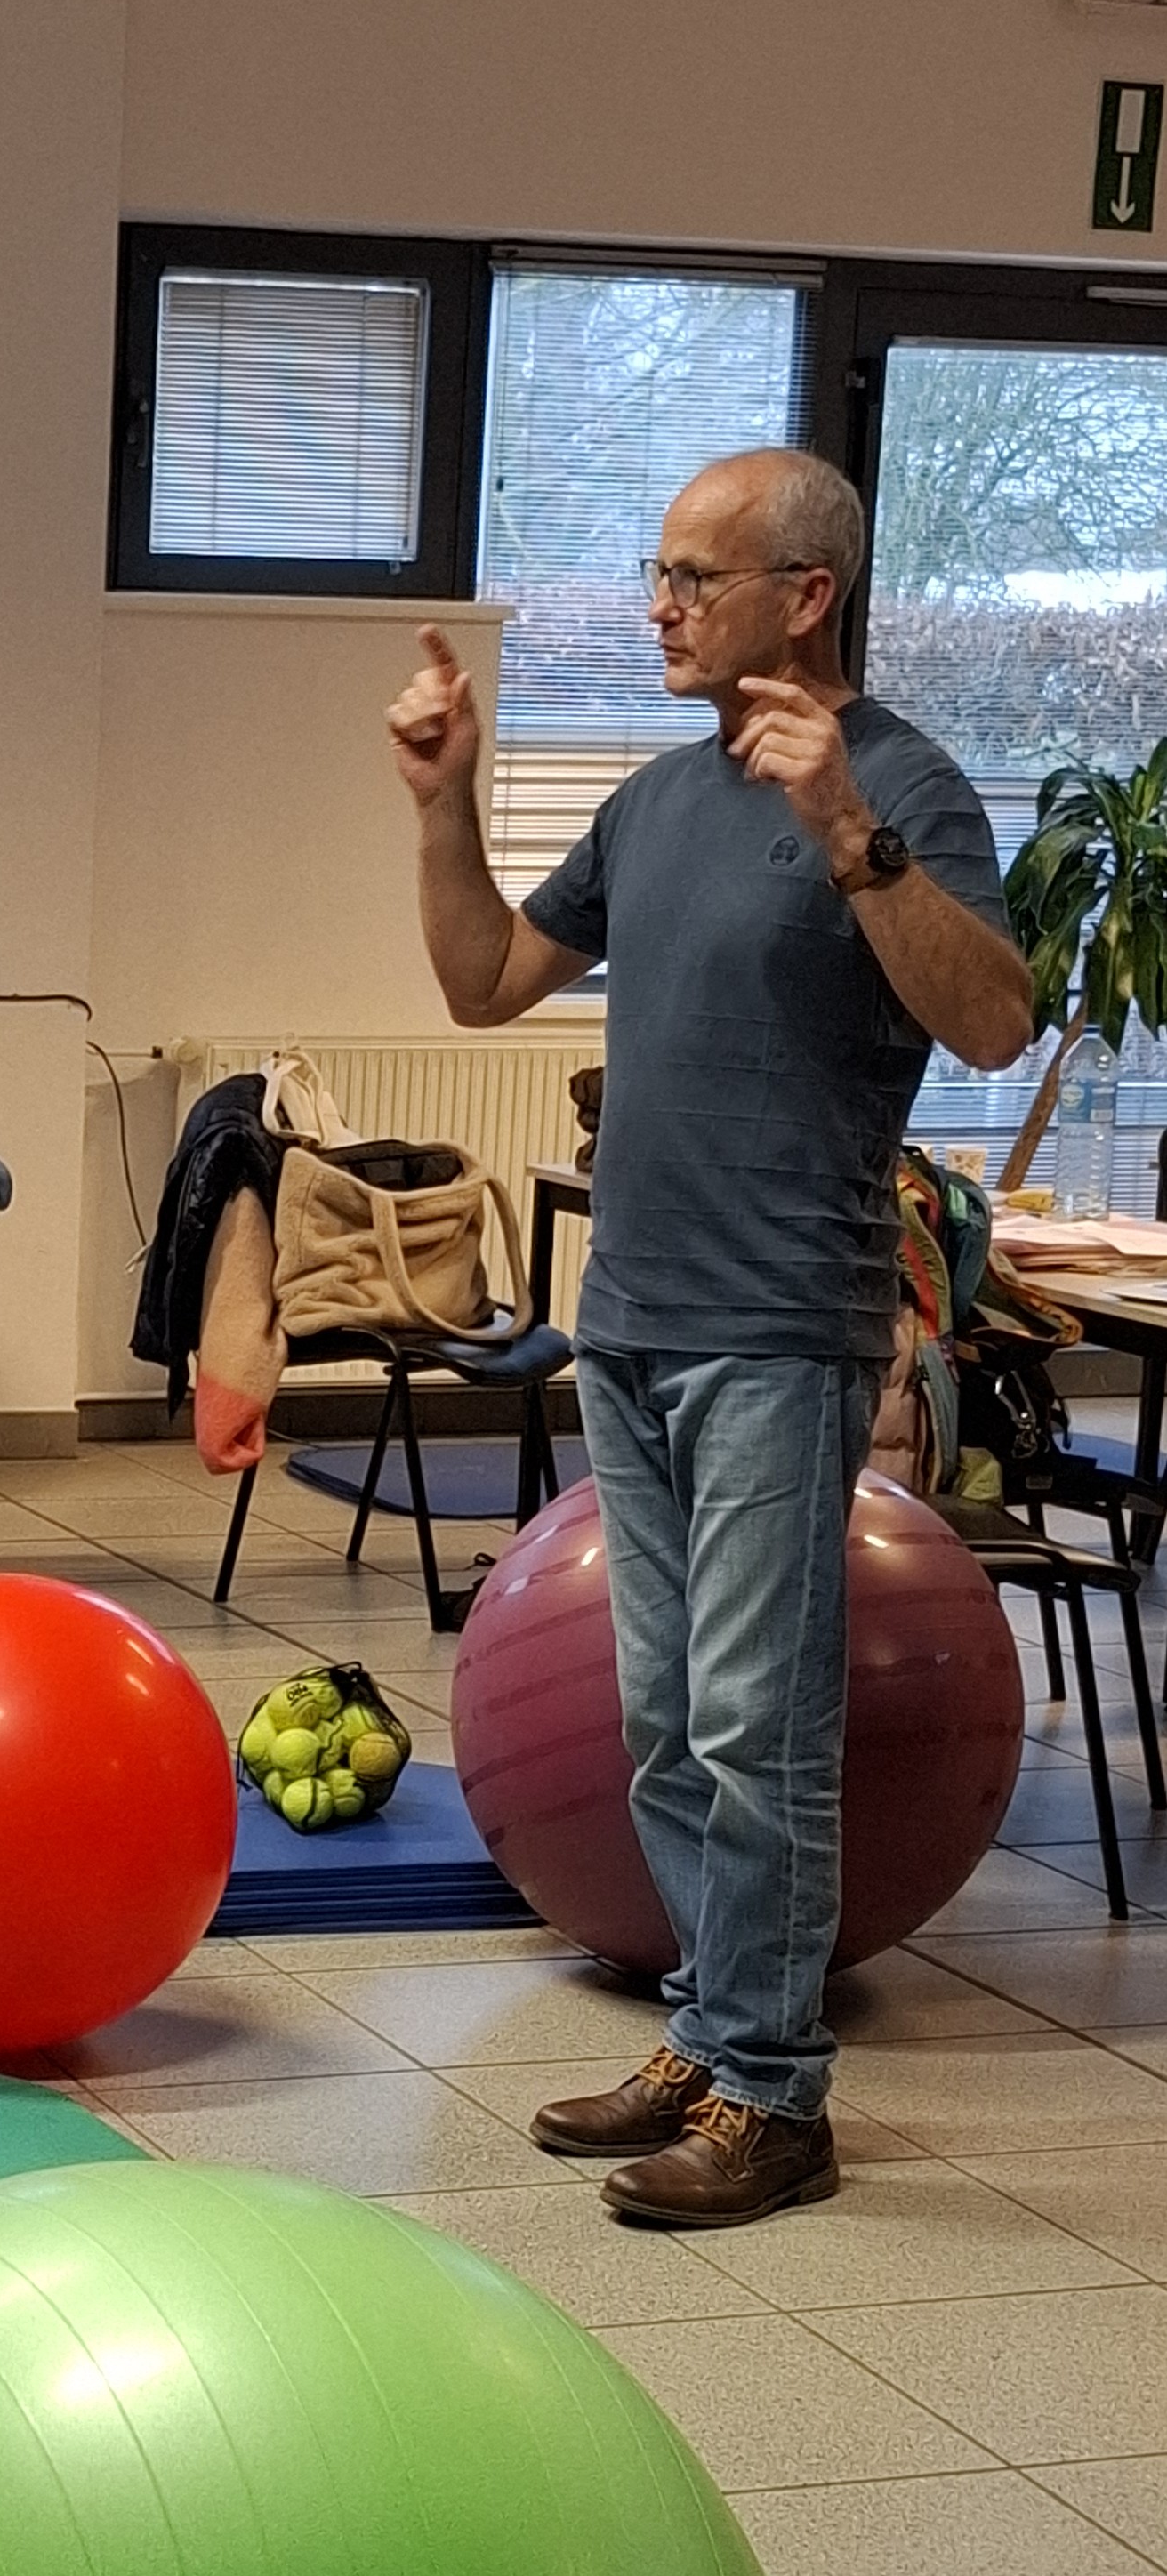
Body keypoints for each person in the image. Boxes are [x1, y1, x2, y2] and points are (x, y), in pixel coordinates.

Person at [386, 449, 1034, 2226]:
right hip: (636, 1324)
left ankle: (776, 2097)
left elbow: (994, 1021)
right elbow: (483, 984)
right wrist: (442, 804)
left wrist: (847, 833)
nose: (660, 607)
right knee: (668, 1722)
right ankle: (712, 2031)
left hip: (781, 1327)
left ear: (803, 598)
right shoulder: (657, 801)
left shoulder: (904, 787)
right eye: (657, 575)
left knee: (757, 1723)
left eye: (693, 576)